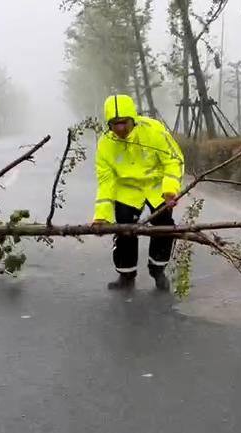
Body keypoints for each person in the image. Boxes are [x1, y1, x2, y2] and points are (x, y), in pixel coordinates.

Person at [92, 94, 185, 291]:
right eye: (114, 124)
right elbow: (106, 182)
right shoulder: (105, 144)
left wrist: (170, 190)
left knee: (164, 226)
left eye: (123, 122)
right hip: (127, 189)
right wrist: (101, 217)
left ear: (133, 118)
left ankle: (158, 270)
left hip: (156, 185)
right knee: (124, 229)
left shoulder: (154, 131)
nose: (120, 128)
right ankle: (126, 275)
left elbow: (173, 160)